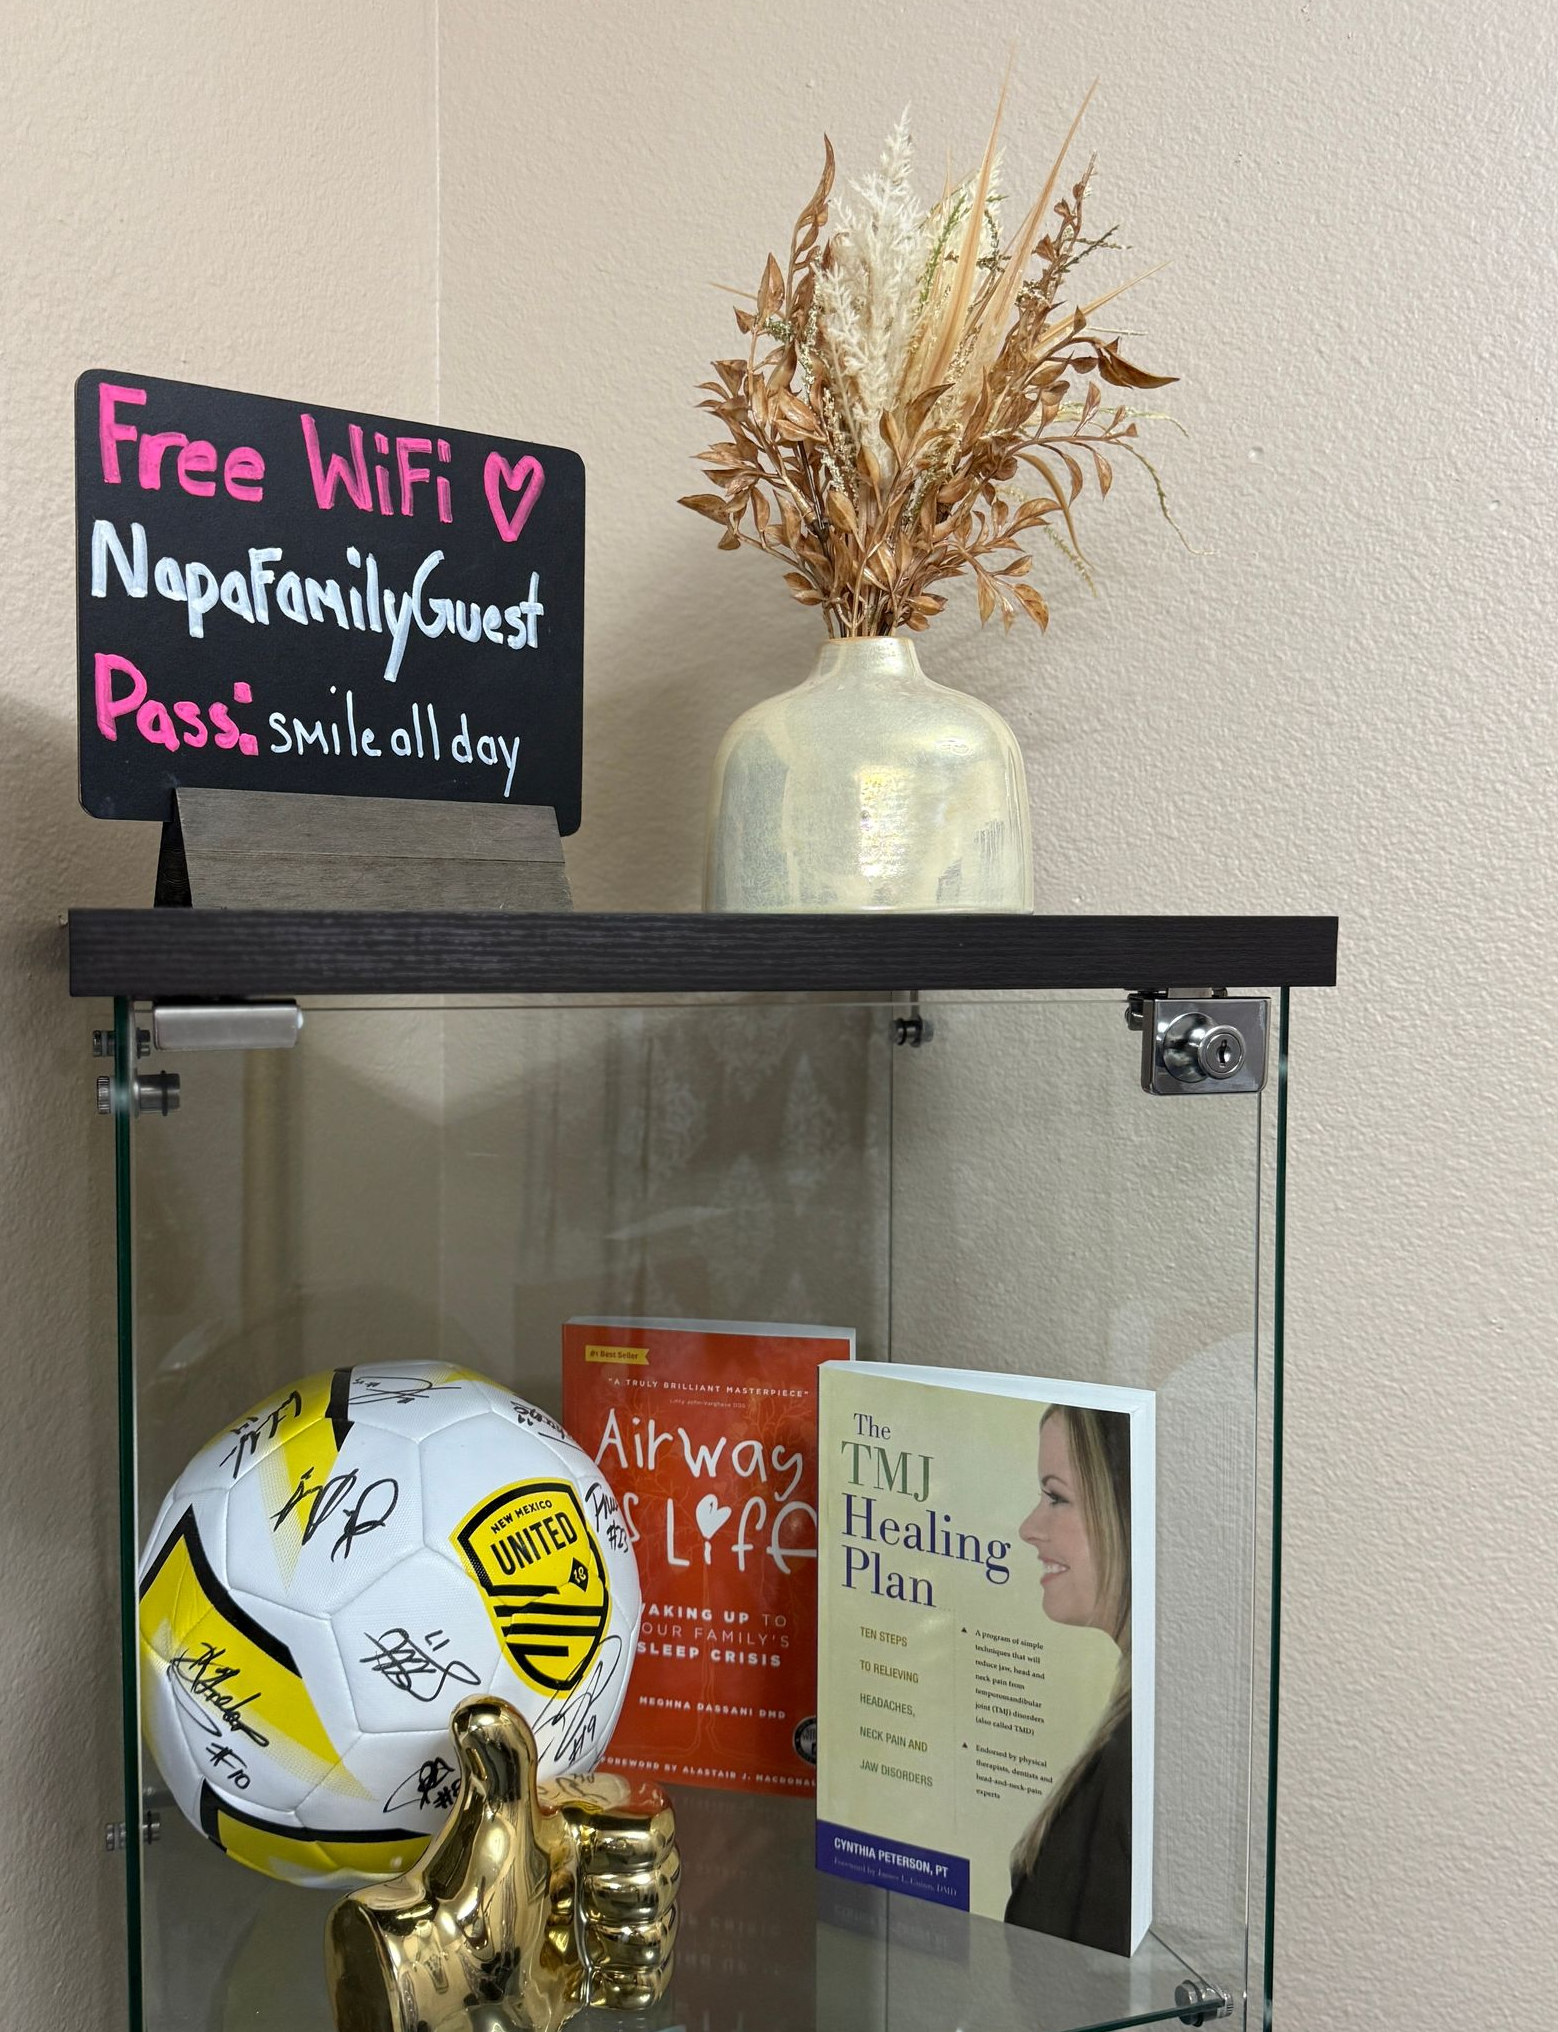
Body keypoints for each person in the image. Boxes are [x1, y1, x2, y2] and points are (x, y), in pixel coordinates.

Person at [1005, 1402, 1133, 1953]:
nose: (1029, 1527)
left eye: (1056, 1497)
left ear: (1123, 1509)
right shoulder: (1129, 1730)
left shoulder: (1134, 1760)